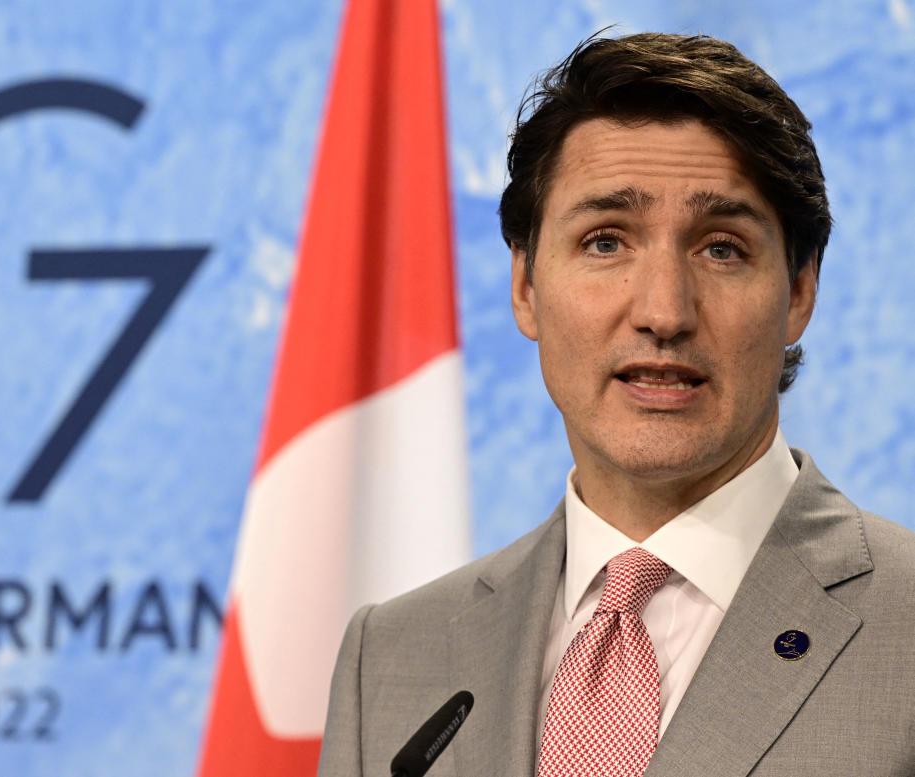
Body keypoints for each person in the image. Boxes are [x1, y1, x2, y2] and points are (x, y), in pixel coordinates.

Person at [316, 32, 915, 777]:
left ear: (799, 292)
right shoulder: (393, 656)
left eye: (720, 248)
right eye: (605, 242)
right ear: (526, 286)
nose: (662, 310)